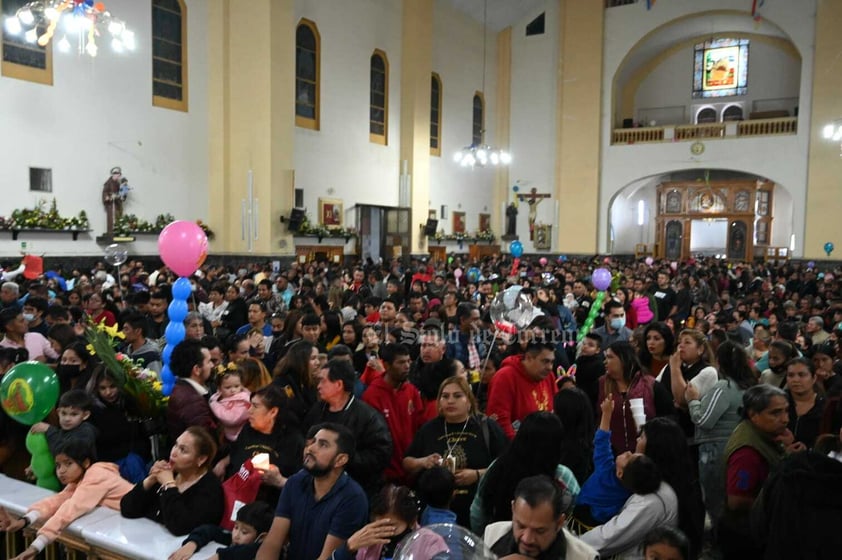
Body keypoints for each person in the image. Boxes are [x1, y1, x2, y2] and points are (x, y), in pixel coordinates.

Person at [0, 440, 134, 560]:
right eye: (58, 465)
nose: (61, 471)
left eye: (68, 463)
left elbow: (70, 508)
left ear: (86, 463)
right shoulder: (79, 479)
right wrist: (23, 521)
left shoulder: (96, 474)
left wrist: (35, 547)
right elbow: (56, 501)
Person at [404, 376, 507, 528]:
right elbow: (407, 463)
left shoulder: (486, 427)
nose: (450, 401)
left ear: (469, 401)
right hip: (434, 516)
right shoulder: (429, 429)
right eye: (445, 396)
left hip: (477, 514)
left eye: (457, 396)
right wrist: (423, 462)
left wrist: (477, 474)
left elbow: (505, 465)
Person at [256, 423, 368, 560]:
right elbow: (273, 542)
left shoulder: (353, 499)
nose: (311, 448)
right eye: (313, 442)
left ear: (340, 460)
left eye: (323, 445)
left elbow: (327, 557)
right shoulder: (295, 483)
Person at [470, 411, 579, 536]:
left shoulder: (498, 467)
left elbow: (477, 513)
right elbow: (578, 513)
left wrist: (486, 539)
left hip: (499, 544)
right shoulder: (562, 476)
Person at [684, 340, 754, 532]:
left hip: (715, 451)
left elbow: (704, 419)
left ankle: (718, 542)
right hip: (737, 447)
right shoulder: (747, 386)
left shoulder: (724, 387)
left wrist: (693, 401)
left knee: (715, 502)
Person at [571, 396, 662, 533]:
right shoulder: (632, 489)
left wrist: (607, 413)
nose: (628, 452)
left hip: (578, 522)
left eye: (628, 457)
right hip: (601, 528)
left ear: (620, 473)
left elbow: (601, 440)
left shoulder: (606, 470)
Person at [718, 385, 788, 559]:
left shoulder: (763, 435)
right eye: (775, 413)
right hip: (746, 537)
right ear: (753, 415)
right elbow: (738, 501)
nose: (785, 419)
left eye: (786, 411)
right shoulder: (747, 454)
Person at [304, 359, 392, 494]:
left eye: (323, 381)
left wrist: (341, 458)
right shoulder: (317, 410)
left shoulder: (368, 417)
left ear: (339, 384)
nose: (318, 386)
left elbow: (380, 455)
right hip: (317, 485)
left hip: (355, 488)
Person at [120, 426, 224, 536]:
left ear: (201, 459)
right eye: (175, 445)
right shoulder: (171, 473)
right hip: (148, 539)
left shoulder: (210, 489)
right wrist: (150, 480)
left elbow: (179, 527)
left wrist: (169, 485)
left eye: (183, 450)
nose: (174, 453)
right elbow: (127, 509)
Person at [213, 385, 303, 506]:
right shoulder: (248, 430)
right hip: (236, 499)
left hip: (268, 507)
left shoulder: (293, 441)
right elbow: (236, 451)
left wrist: (279, 481)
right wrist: (223, 462)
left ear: (273, 412)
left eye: (255, 406)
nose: (249, 410)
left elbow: (303, 486)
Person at [636, 417, 705, 558]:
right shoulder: (687, 481)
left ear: (655, 447)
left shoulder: (657, 494)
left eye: (642, 437)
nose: (637, 441)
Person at [485, 475, 599, 560]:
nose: (527, 539)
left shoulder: (584, 557)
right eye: (521, 526)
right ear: (513, 509)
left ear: (559, 523)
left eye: (540, 531)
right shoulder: (493, 534)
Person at [361, 343, 422, 484]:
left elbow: (419, 426)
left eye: (408, 361)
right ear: (386, 365)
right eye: (401, 362)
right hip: (386, 475)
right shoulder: (371, 396)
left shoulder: (411, 391)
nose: (407, 366)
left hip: (413, 471)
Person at [599, 341, 674, 454]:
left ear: (623, 359)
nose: (605, 362)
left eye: (610, 357)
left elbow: (670, 416)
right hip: (611, 455)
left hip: (647, 453)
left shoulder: (650, 385)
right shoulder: (601, 385)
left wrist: (651, 429)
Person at [345, 484, 448, 560]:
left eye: (391, 526)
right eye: (379, 525)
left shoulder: (432, 542)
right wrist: (348, 547)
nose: (383, 531)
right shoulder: (369, 540)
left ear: (411, 522)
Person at [86, 368, 151, 483]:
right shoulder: (92, 412)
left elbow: (142, 436)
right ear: (96, 388)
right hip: (108, 465)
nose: (108, 392)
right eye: (103, 388)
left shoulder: (130, 404)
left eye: (112, 386)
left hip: (136, 460)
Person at [487, 338, 559, 439]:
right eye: (545, 361)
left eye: (552, 362)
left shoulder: (548, 376)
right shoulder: (505, 377)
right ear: (529, 358)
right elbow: (500, 423)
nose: (550, 367)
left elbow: (557, 409)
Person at [167, 501, 275, 560]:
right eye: (236, 527)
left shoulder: (261, 551)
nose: (236, 535)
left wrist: (221, 556)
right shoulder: (235, 539)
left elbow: (248, 551)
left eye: (244, 532)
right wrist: (192, 543)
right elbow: (210, 530)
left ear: (262, 537)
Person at [165, 339, 217, 443]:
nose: (212, 365)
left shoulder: (184, 390)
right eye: (208, 361)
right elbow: (205, 442)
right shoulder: (191, 401)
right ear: (197, 369)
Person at [271, 339, 319, 425]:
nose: (318, 362)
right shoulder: (281, 384)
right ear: (301, 361)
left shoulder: (309, 382)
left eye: (317, 358)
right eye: (313, 358)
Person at [784, 357, 825, 449]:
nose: (795, 380)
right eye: (790, 375)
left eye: (802, 375)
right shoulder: (777, 402)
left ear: (814, 378)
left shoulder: (824, 406)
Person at [209, 367, 252, 443]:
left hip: (239, 436)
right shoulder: (218, 397)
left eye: (236, 386)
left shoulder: (243, 400)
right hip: (227, 434)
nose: (233, 390)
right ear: (219, 388)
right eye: (228, 387)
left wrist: (215, 405)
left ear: (242, 385)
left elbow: (232, 419)